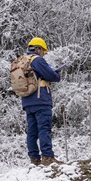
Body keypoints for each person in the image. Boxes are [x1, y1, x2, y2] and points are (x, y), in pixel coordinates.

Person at [21, 37, 62, 166]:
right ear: (38, 49)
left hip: (27, 101)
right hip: (41, 100)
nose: (43, 54)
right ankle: (47, 157)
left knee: (32, 131)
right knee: (44, 128)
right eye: (43, 51)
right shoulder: (37, 60)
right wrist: (56, 73)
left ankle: (34, 158)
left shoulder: (22, 61)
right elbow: (52, 76)